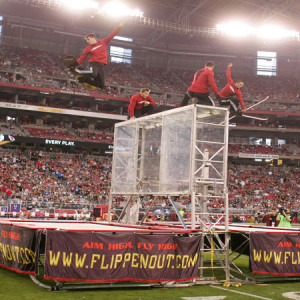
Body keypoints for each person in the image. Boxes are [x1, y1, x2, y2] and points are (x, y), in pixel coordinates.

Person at [74, 22, 125, 88]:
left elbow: (112, 35)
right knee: (93, 74)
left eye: (88, 39)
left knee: (101, 85)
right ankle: (79, 72)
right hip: (93, 64)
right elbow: (82, 57)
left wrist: (119, 27)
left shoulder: (103, 42)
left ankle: (84, 79)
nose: (87, 41)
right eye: (87, 40)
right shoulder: (88, 48)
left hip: (101, 66)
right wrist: (75, 64)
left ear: (93, 38)